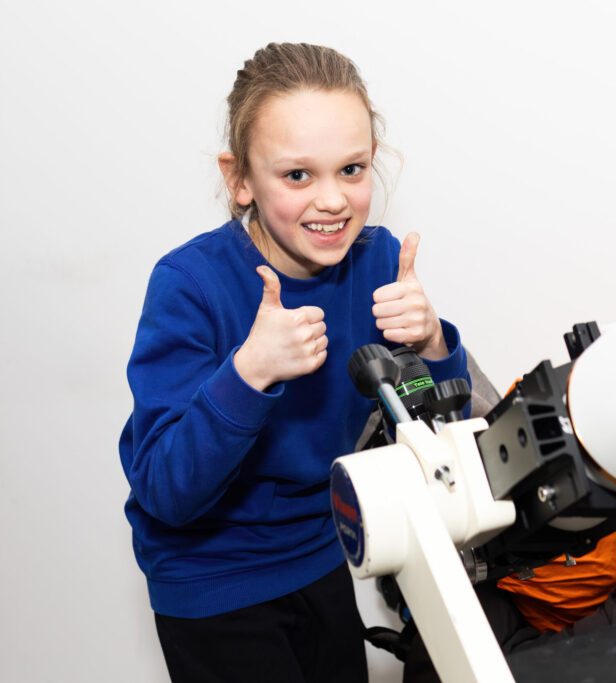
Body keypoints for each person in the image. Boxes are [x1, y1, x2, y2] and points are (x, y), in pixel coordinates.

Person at [118, 42, 470, 683]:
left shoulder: (378, 262)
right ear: (239, 179)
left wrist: (431, 345)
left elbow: (442, 445)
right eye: (298, 175)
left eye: (353, 169)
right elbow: (166, 491)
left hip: (318, 551)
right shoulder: (189, 285)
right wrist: (250, 373)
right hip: (210, 575)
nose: (332, 200)